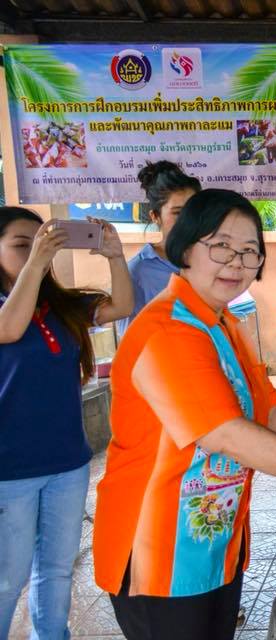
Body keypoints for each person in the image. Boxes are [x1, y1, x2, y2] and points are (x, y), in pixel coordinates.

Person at [93, 189, 276, 640]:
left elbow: (268, 409)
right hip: (157, 549)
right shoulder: (166, 330)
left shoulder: (224, 324)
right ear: (186, 248)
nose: (236, 261)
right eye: (221, 246)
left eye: (250, 251)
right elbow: (227, 434)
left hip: (214, 540)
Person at [0, 207, 133, 639]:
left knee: (56, 570)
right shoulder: (7, 309)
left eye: (41, 242)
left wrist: (114, 256)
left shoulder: (63, 305)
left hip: (67, 463)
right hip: (10, 470)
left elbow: (123, 305)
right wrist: (36, 263)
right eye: (22, 244)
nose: (36, 250)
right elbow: (10, 329)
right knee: (7, 578)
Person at [115, 160, 201, 337]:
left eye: (193, 210)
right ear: (155, 216)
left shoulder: (209, 260)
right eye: (177, 212)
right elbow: (131, 343)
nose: (188, 219)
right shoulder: (139, 271)